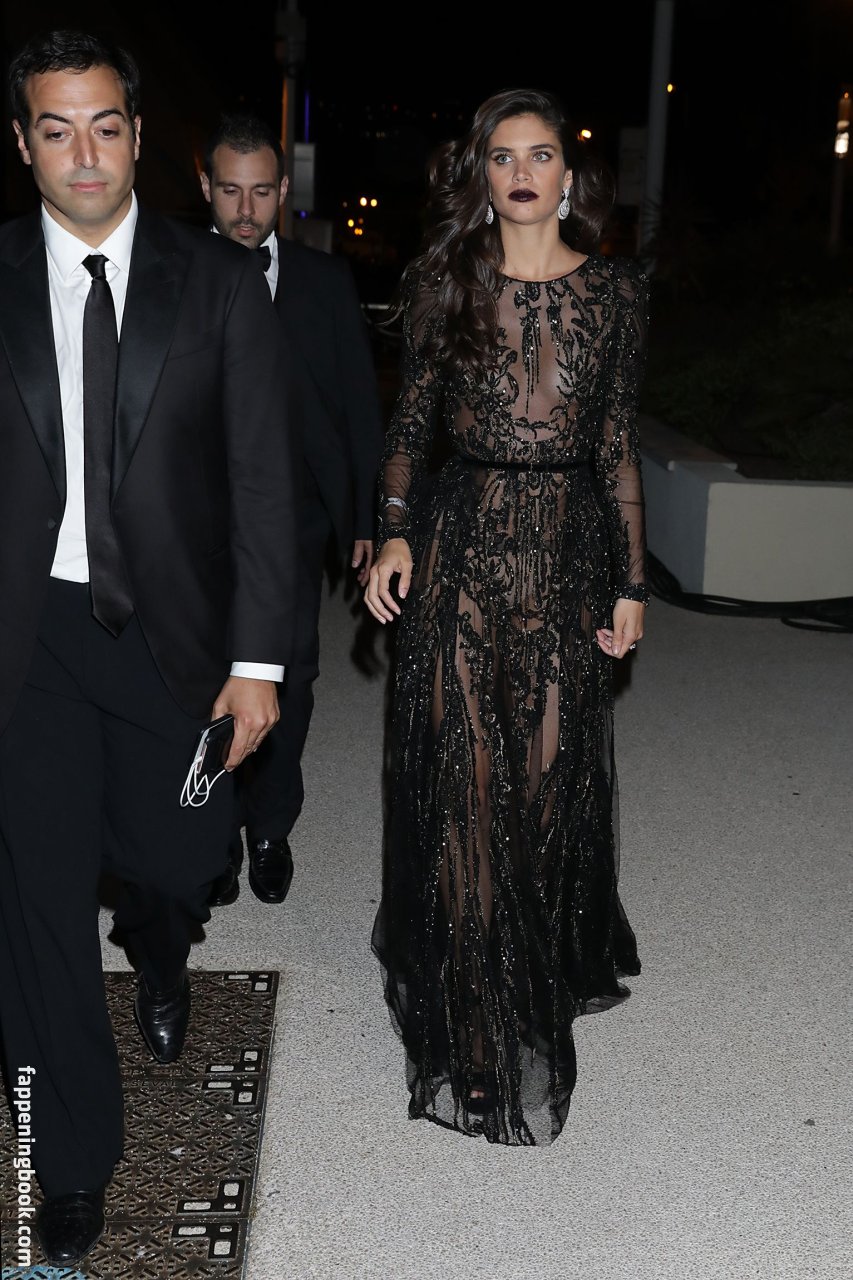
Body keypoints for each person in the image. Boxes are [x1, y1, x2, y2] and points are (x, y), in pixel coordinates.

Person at [0, 30, 297, 1266]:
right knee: (37, 907)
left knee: (177, 852)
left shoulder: (215, 281)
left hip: (171, 637)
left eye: (106, 126)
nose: (84, 153)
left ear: (136, 135)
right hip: (29, 640)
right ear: (23, 143)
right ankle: (67, 1158)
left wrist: (259, 660)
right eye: (56, 128)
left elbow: (262, 478)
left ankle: (162, 938)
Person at [364, 87, 649, 1146]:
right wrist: (394, 530)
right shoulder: (443, 279)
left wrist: (630, 582)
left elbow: (614, 441)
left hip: (566, 555)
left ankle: (535, 971)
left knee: (541, 786)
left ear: (568, 175)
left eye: (540, 155)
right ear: (479, 175)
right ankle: (481, 1036)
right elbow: (410, 423)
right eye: (501, 156)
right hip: (462, 543)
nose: (522, 173)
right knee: (467, 784)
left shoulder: (613, 292)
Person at [199, 112, 384, 907]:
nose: (246, 210)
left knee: (290, 676)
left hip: (297, 514)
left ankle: (269, 828)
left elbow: (358, 405)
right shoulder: (171, 275)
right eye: (230, 191)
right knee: (199, 677)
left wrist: (370, 521)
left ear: (283, 191)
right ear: (205, 188)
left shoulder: (324, 281)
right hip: (195, 518)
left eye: (261, 192)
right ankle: (210, 836)